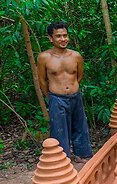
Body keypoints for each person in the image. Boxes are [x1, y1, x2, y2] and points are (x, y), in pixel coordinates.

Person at [37, 21, 92, 163]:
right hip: (57, 98)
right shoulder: (44, 57)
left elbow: (79, 76)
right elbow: (42, 80)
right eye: (58, 36)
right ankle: (62, 159)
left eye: (65, 35)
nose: (63, 39)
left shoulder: (76, 56)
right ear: (51, 38)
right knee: (59, 130)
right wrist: (51, 97)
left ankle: (83, 155)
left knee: (80, 126)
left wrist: (72, 88)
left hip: (75, 96)